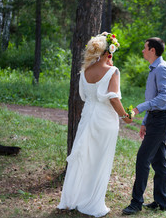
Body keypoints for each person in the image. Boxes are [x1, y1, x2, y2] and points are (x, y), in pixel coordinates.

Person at [57, 32, 132, 217]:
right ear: (110, 52)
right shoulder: (112, 71)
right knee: (100, 161)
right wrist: (125, 117)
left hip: (87, 117)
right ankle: (92, 203)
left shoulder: (85, 72)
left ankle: (73, 199)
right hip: (104, 120)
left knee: (84, 158)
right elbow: (113, 98)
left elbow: (84, 96)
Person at [122, 37, 166, 215]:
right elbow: (153, 99)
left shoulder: (161, 69)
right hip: (155, 118)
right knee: (159, 161)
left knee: (143, 158)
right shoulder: (155, 68)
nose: (143, 51)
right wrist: (145, 121)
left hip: (161, 119)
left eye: (145, 48)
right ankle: (162, 202)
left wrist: (138, 109)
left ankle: (136, 203)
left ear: (153, 50)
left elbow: (162, 98)